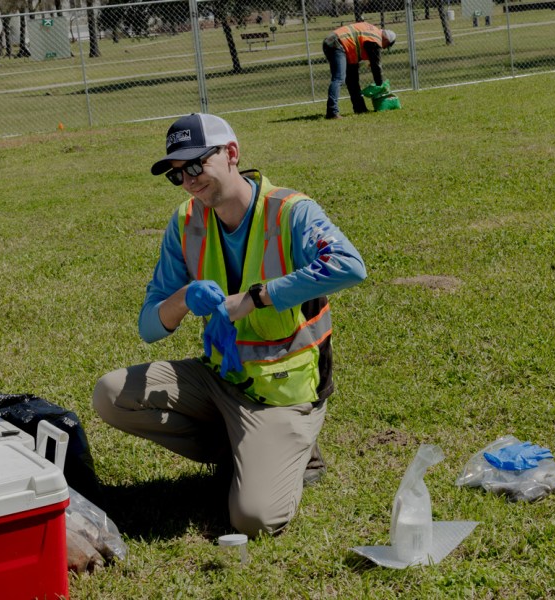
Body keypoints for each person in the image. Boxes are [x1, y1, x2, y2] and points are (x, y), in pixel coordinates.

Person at [92, 113, 367, 538]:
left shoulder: (289, 211)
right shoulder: (185, 222)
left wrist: (257, 297)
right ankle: (246, 451)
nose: (188, 181)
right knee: (111, 395)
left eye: (195, 165)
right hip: (221, 379)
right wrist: (184, 298)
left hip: (283, 394)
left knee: (254, 518)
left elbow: (350, 265)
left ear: (232, 153)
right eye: (177, 174)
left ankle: (296, 452)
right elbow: (149, 327)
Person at [322, 22, 396, 120]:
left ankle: (360, 109)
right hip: (336, 44)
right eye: (386, 46)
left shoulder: (373, 32)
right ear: (386, 39)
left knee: (352, 81)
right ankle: (332, 112)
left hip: (339, 44)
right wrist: (380, 85)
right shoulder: (375, 39)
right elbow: (376, 66)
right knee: (339, 78)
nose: (383, 48)